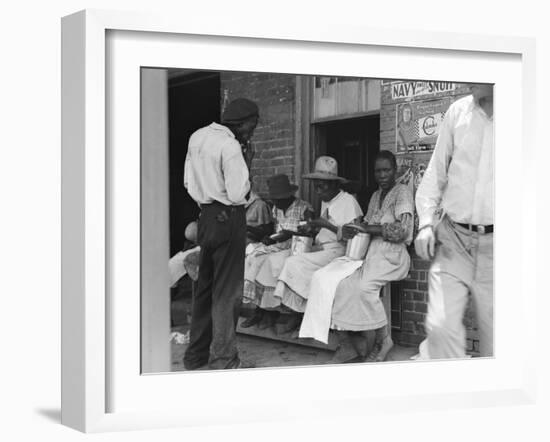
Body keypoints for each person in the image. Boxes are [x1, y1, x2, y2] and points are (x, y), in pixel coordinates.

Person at [299, 150, 414, 363]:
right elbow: (365, 225)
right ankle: (348, 343)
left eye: (386, 170)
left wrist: (370, 228)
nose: (382, 175)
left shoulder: (402, 193)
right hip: (370, 253)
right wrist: (352, 229)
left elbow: (404, 231)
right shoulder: (375, 196)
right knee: (335, 281)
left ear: (395, 170)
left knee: (363, 287)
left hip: (392, 256)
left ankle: (384, 340)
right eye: (378, 171)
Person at [414, 84, 494, 359]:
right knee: (440, 328)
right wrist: (425, 223)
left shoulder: (529, 113)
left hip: (502, 249)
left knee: (501, 345)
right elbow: (435, 172)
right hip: (454, 240)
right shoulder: (457, 111)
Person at [182, 97, 259, 370]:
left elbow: (188, 183)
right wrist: (247, 163)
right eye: (253, 125)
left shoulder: (197, 137)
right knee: (227, 294)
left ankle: (196, 356)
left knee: (204, 289)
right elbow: (239, 193)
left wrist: (209, 204)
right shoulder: (230, 146)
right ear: (245, 122)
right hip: (229, 218)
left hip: (206, 217)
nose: (252, 131)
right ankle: (224, 360)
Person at [273, 156, 363, 334]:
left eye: (322, 185)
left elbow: (355, 237)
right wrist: (312, 226)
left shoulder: (348, 202)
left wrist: (324, 224)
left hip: (340, 253)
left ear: (335, 185)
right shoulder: (326, 200)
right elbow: (324, 230)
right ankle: (297, 314)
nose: (318, 190)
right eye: (316, 185)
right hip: (323, 248)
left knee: (294, 264)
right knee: (288, 258)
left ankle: (300, 316)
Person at [241, 174, 313, 329]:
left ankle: (275, 311)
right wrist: (270, 238)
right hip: (279, 245)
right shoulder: (276, 209)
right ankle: (261, 309)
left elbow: (311, 233)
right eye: (274, 199)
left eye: (278, 199)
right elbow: (276, 231)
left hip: (297, 248)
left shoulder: (304, 208)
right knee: (252, 256)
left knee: (269, 263)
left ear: (288, 196)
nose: (275, 202)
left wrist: (291, 234)